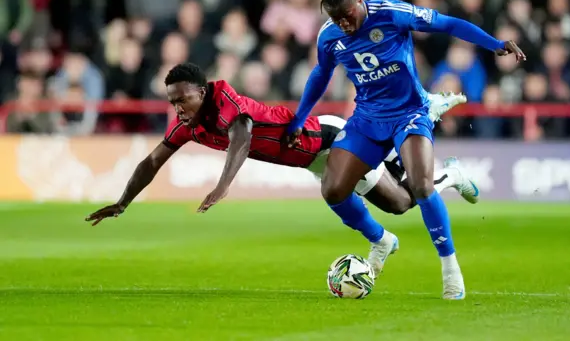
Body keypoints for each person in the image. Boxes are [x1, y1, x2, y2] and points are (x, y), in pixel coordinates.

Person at [284, 0, 526, 300]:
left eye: (347, 14)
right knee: (333, 189)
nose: (344, 23)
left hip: (409, 112)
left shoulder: (392, 14)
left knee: (421, 187)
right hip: (368, 118)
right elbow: (321, 74)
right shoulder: (329, 36)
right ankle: (385, 235)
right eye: (336, 18)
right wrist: (299, 118)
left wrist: (494, 43)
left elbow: (447, 23)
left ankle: (450, 268)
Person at [85, 63, 476, 249]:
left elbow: (242, 133)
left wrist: (223, 186)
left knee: (403, 201)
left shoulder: (224, 102)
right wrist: (122, 203)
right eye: (172, 102)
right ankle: (384, 238)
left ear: (201, 92)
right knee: (393, 200)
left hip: (327, 139)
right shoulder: (189, 124)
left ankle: (448, 173)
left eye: (182, 99)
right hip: (311, 159)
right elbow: (152, 161)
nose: (178, 108)